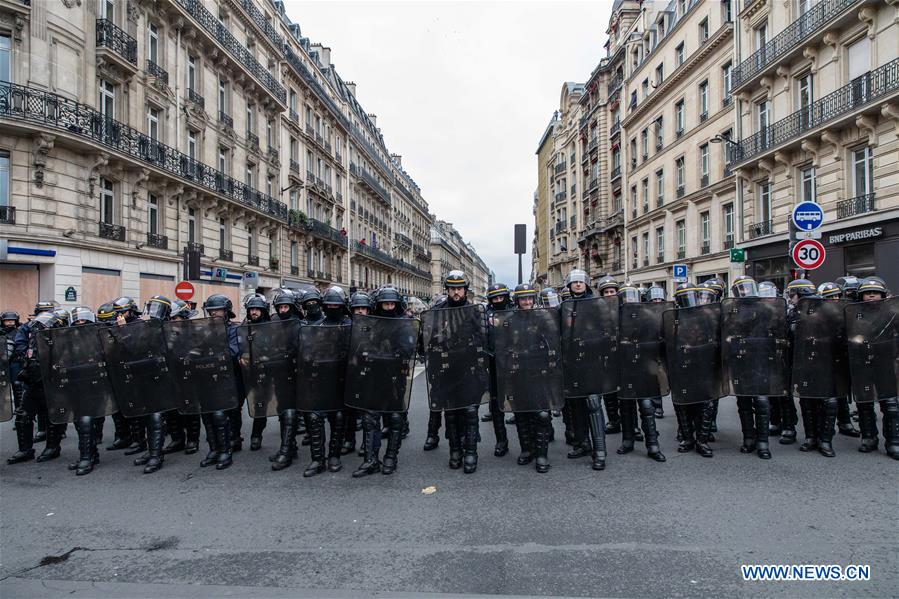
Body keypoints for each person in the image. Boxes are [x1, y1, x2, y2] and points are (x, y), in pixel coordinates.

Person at [353, 286, 414, 477]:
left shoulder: (404, 324)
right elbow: (359, 346)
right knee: (370, 418)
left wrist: (395, 352)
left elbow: (409, 348)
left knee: (395, 418)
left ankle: (390, 457)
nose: (388, 307)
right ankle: (371, 460)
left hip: (394, 376)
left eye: (391, 304)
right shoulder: (371, 323)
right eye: (385, 304)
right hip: (372, 376)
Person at [428, 272, 482, 473]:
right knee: (450, 413)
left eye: (459, 288)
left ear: (465, 290)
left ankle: (470, 451)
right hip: (446, 370)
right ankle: (455, 450)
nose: (456, 292)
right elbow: (428, 340)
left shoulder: (474, 311)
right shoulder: (438, 311)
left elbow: (484, 338)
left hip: (469, 369)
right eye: (452, 289)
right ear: (447, 290)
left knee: (470, 411)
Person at [506, 283, 556, 473]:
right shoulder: (510, 320)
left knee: (542, 415)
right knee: (521, 414)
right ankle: (527, 449)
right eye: (523, 298)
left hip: (539, 373)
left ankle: (542, 454)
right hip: (518, 374)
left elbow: (552, 343)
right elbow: (504, 345)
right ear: (517, 300)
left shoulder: (543, 318)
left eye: (529, 298)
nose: (526, 302)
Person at [301, 287, 351, 477]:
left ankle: (334, 456)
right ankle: (317, 459)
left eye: (335, 305)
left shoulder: (349, 325)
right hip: (319, 379)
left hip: (340, 380)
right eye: (328, 305)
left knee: (338, 418)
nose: (332, 308)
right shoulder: (317, 326)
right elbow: (307, 350)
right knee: (314, 418)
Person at [7, 309, 67, 464]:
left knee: (52, 416)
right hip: (32, 380)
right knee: (23, 416)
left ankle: (53, 448)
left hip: (52, 381)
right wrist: (26, 356)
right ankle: (25, 450)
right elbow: (20, 346)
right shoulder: (28, 330)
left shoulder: (59, 332)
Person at [616, 284, 665, 462]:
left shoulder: (649, 316)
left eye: (632, 296)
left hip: (644, 366)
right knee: (626, 406)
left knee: (646, 406)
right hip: (624, 367)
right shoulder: (615, 318)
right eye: (626, 296)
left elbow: (659, 340)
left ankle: (653, 444)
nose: (629, 300)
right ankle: (628, 440)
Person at [852, 277, 898, 460]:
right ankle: (869, 438)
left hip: (885, 362)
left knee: (891, 405)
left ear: (883, 294)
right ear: (861, 296)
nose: (871, 295)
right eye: (867, 293)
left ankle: (894, 442)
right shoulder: (854, 313)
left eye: (875, 292)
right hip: (862, 363)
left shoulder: (892, 312)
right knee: (864, 403)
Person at [670, 283, 716, 458]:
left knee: (706, 403)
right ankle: (687, 438)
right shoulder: (673, 319)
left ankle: (702, 440)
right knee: (682, 403)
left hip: (704, 365)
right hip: (682, 366)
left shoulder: (708, 319)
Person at [729, 276, 772, 460]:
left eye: (748, 287)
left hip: (761, 360)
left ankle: (763, 441)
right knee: (744, 402)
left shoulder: (766, 309)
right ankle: (748, 438)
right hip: (741, 360)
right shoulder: (732, 311)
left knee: (762, 401)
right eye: (742, 288)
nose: (745, 291)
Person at [198, 294, 240, 470]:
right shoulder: (205, 330)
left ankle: (225, 451)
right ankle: (213, 449)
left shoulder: (233, 330)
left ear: (226, 311)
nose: (214, 313)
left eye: (218, 309)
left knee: (220, 415)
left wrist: (210, 356)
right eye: (212, 310)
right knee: (207, 414)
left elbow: (232, 352)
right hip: (207, 379)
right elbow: (197, 349)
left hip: (226, 379)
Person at [65, 306, 105, 475]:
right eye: (78, 321)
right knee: (78, 423)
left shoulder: (98, 337)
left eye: (84, 320)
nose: (81, 323)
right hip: (75, 384)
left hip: (94, 384)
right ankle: (91, 453)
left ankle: (86, 458)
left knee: (87, 421)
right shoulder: (67, 340)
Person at [270, 289, 304, 471]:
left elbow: (302, 348)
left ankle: (286, 451)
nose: (283, 310)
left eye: (286, 306)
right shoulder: (273, 323)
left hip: (294, 373)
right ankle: (290, 447)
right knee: (282, 411)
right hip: (278, 372)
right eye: (280, 307)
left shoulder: (299, 325)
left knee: (290, 412)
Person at [163, 299, 201, 456]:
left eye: (176, 318)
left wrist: (190, 356)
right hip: (171, 375)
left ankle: (193, 440)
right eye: (171, 319)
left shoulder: (194, 331)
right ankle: (177, 439)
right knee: (172, 409)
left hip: (188, 375)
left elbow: (199, 349)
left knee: (191, 408)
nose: (173, 321)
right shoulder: (167, 332)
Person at [482, 283, 511, 455]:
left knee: (519, 401)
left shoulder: (514, 311)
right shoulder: (485, 314)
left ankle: (528, 442)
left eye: (501, 297)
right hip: (493, 361)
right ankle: (501, 440)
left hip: (513, 362)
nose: (498, 300)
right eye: (495, 298)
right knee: (495, 402)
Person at [242, 293, 272, 452]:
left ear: (263, 311)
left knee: (260, 405)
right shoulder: (243, 327)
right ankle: (234, 436)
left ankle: (256, 435)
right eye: (251, 309)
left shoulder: (271, 328)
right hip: (245, 373)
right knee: (235, 406)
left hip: (264, 373)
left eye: (257, 309)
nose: (253, 312)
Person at [595, 275, 622, 435]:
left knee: (626, 392)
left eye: (612, 291)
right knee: (609, 391)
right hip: (605, 354)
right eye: (606, 292)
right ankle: (613, 420)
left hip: (621, 353)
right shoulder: (597, 310)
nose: (610, 294)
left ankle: (631, 425)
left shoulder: (624, 307)